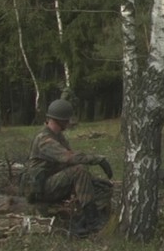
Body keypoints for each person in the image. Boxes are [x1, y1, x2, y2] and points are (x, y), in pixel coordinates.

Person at [21, 99, 114, 237]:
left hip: (57, 182)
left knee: (104, 188)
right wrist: (97, 159)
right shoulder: (44, 139)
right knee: (79, 170)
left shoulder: (58, 136)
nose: (69, 123)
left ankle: (80, 221)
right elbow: (69, 158)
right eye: (67, 120)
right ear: (61, 120)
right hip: (42, 189)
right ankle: (91, 221)